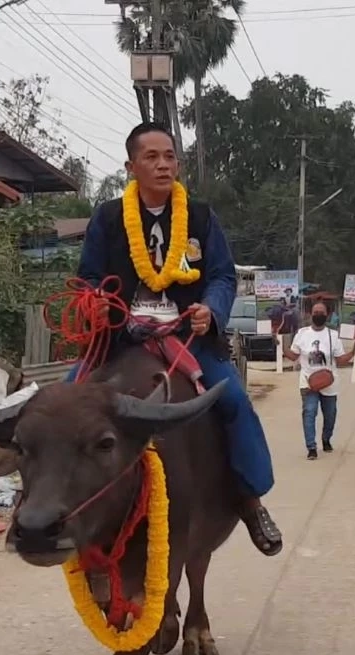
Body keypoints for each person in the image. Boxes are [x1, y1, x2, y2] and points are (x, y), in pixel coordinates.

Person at [74, 122, 282, 556]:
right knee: (63, 399)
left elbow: (223, 275)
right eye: (151, 157)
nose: (163, 165)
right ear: (132, 167)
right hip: (120, 338)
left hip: (189, 339)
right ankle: (48, 501)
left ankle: (250, 501)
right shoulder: (108, 218)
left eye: (170, 156)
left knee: (234, 402)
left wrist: (212, 309)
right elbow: (88, 278)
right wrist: (94, 301)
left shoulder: (201, 217)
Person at [282, 302, 355, 460]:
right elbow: (294, 356)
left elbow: (340, 360)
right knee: (309, 412)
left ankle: (326, 438)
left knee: (330, 415)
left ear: (327, 315)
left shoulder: (333, 335)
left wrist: (354, 352)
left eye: (321, 312)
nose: (318, 314)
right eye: (316, 312)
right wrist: (281, 346)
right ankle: (311, 447)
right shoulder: (302, 334)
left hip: (329, 383)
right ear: (311, 314)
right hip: (308, 382)